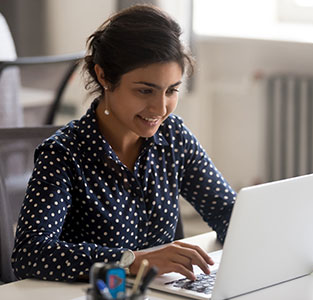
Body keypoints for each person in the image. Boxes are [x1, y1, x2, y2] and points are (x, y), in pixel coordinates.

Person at [12, 4, 236, 282]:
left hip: (159, 292)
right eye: (145, 90)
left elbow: (227, 213)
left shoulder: (173, 136)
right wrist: (130, 261)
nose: (160, 107)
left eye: (171, 90)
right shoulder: (63, 154)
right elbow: (30, 254)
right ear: (104, 76)